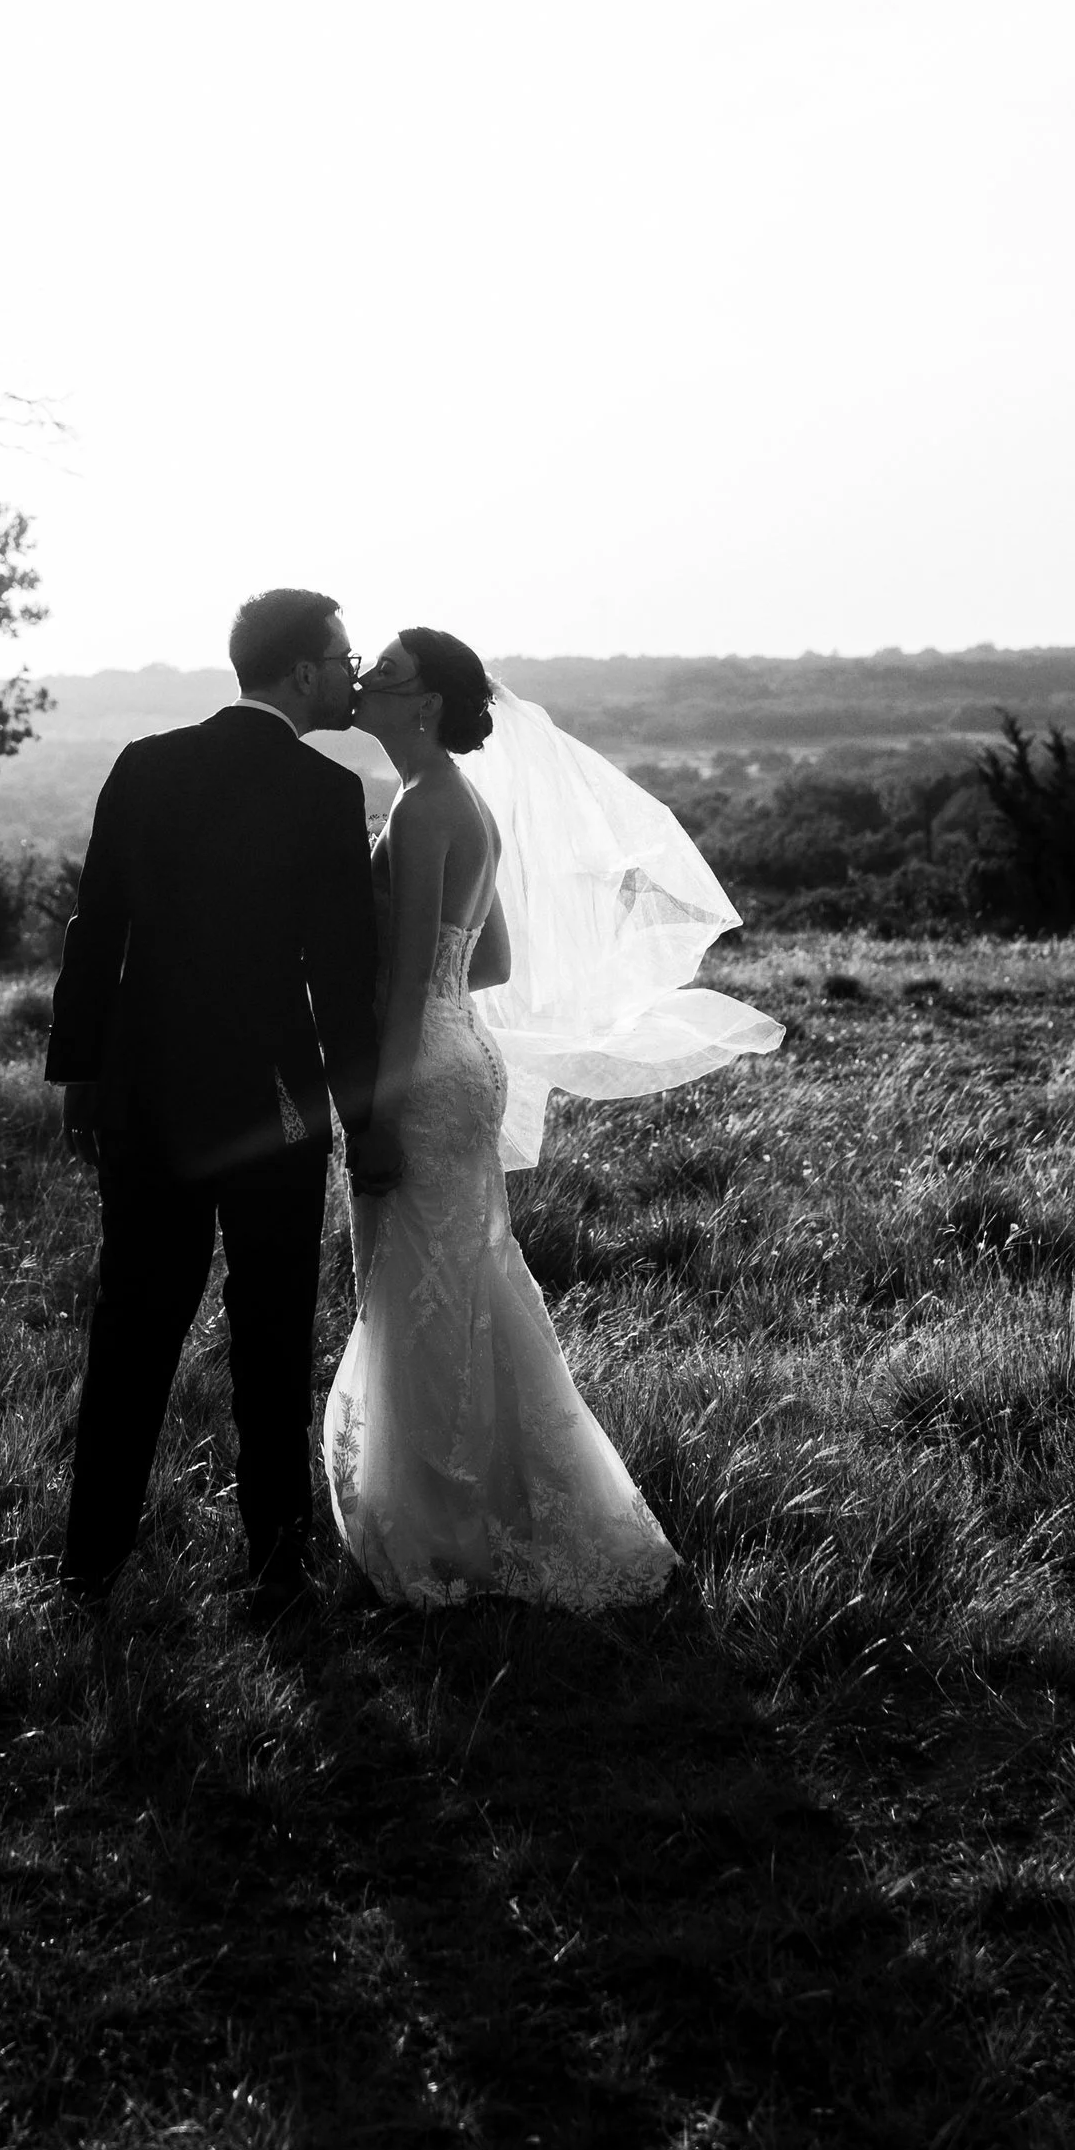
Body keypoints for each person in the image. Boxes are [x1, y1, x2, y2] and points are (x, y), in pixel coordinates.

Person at [323, 627, 781, 1611]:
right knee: (459, 1280)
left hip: (420, 1072)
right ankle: (506, 1503)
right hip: (463, 1054)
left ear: (426, 705)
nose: (364, 680)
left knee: (421, 1291)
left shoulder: (420, 809)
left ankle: (447, 1525)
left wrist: (370, 1109)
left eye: (386, 674)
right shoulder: (456, 803)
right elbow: (483, 965)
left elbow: (409, 983)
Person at [48, 588, 384, 1610]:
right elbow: (340, 977)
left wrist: (78, 1078)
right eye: (341, 656)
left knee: (132, 1326)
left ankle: (89, 1563)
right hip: (272, 1108)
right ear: (298, 673)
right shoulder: (326, 792)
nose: (351, 672)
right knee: (272, 1328)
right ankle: (277, 1563)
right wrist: (364, 1122)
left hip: (143, 1094)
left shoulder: (144, 766)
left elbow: (94, 933)